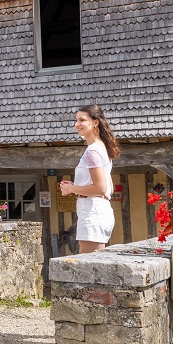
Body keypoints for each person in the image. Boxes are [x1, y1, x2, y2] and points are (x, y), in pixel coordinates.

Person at [58, 104, 121, 254]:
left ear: (95, 122)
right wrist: (77, 186)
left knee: (90, 267)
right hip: (98, 210)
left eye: (82, 120)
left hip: (92, 212)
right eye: (76, 120)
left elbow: (100, 188)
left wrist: (71, 189)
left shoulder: (92, 151)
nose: (77, 124)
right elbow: (109, 188)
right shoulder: (101, 148)